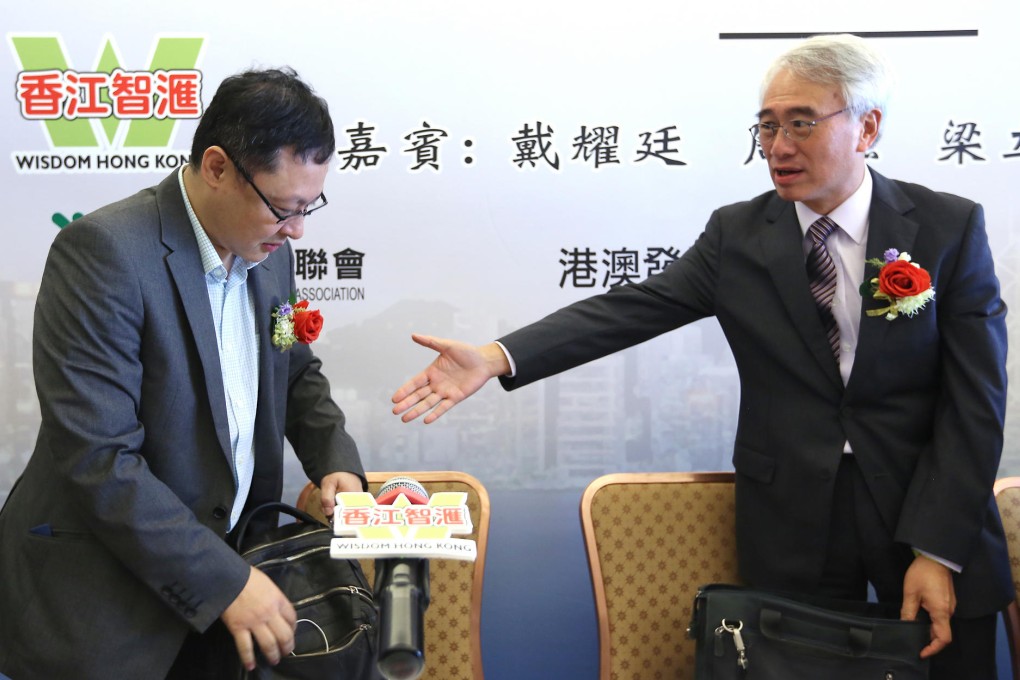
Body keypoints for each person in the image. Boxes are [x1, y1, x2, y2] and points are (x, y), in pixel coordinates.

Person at [391, 34, 1012, 678]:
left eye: (801, 123)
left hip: (931, 513)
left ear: (866, 127)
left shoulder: (947, 228)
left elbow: (976, 401)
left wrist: (939, 550)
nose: (779, 146)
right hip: (797, 525)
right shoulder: (738, 236)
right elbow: (630, 309)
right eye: (767, 126)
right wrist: (498, 356)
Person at [0, 68, 367, 680]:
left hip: (229, 591)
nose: (297, 229)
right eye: (283, 207)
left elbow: (294, 372)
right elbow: (99, 458)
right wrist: (225, 581)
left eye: (309, 207)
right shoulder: (106, 253)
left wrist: (335, 461)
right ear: (218, 167)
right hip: (111, 605)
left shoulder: (270, 253)